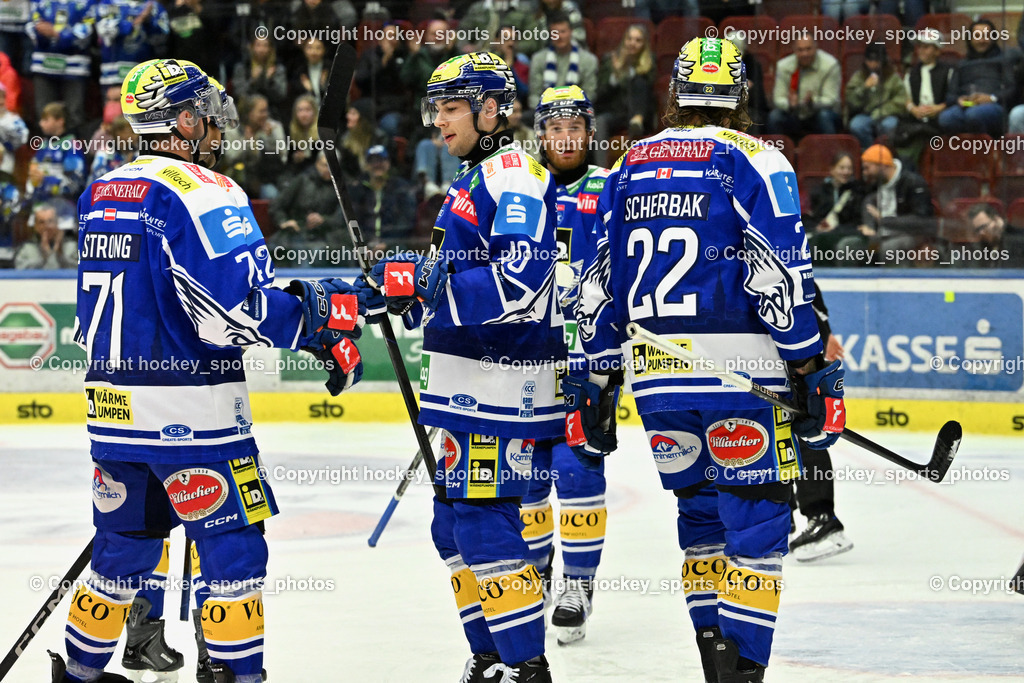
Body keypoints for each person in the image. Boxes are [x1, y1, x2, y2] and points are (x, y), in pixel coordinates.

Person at [48, 57, 366, 683]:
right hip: (194, 417)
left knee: (121, 555)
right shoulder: (205, 189)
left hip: (112, 413)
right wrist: (315, 324)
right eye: (211, 118)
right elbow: (234, 309)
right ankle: (235, 675)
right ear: (186, 119)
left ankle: (79, 675)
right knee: (234, 553)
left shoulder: (100, 190)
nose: (219, 132)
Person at [570, 37, 845, 683]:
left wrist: (600, 377)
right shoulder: (759, 159)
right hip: (744, 376)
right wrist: (809, 367)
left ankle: (712, 659)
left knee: (699, 517)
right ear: (741, 93)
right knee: (756, 521)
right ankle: (741, 673)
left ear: (676, 91)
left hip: (657, 378)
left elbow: (598, 287)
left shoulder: (628, 164)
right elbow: (780, 275)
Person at [362, 52, 563, 682]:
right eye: (435, 110)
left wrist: (426, 284)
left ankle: (526, 667)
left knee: (481, 521)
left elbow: (520, 282)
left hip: (501, 385)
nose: (438, 123)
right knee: (451, 527)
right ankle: (491, 658)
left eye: (451, 109)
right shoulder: (474, 178)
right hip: (462, 383)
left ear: (490, 109)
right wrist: (395, 289)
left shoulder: (515, 175)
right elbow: (448, 284)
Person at [521, 84, 611, 646]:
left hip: (588, 355)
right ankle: (538, 573)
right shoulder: (520, 184)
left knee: (577, 472)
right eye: (555, 128)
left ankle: (577, 584)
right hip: (524, 357)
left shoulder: (610, 185)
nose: (566, 137)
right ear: (542, 134)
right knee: (526, 480)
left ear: (589, 131)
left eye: (574, 126)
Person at [789, 285, 853, 562]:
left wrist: (823, 334)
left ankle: (822, 518)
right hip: (771, 346)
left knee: (807, 430)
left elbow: (800, 283)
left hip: (792, 348)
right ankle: (779, 515)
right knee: (773, 430)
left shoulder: (772, 246)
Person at [939, 19, 1020, 138]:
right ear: (970, 39)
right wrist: (959, 100)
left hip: (995, 107)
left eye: (986, 36)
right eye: (977, 36)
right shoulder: (961, 64)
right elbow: (950, 95)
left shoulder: (1004, 59)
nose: (982, 40)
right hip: (966, 106)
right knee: (946, 118)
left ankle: (985, 154)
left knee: (974, 115)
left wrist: (991, 98)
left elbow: (1012, 90)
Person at [857, 143, 935, 265]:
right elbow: (868, 203)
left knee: (888, 248)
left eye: (867, 168)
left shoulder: (913, 183)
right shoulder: (875, 183)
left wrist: (884, 221)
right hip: (881, 233)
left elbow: (922, 220)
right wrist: (870, 226)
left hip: (911, 234)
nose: (865, 173)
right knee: (849, 245)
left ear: (881, 165)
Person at [28, 0, 95, 134]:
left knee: (74, 113)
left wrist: (57, 34)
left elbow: (87, 29)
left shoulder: (87, 2)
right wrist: (42, 32)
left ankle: (74, 149)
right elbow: (32, 25)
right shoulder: (40, 2)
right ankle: (46, 150)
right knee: (43, 113)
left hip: (75, 67)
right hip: (44, 65)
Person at [268, 150, 345, 267]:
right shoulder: (302, 180)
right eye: (325, 165)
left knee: (319, 252)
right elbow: (277, 205)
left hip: (325, 235)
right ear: (317, 164)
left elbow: (343, 218)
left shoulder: (341, 187)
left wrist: (323, 219)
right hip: (297, 231)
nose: (328, 170)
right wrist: (284, 221)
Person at [346, 145, 416, 254]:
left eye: (381, 161)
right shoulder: (357, 189)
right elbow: (350, 219)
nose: (377, 165)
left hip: (394, 243)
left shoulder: (400, 187)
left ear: (388, 163)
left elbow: (406, 220)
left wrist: (387, 243)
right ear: (366, 165)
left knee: (400, 251)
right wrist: (363, 243)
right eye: (372, 162)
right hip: (363, 244)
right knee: (347, 252)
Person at [768, 37, 841, 139]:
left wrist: (812, 102)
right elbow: (778, 99)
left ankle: (829, 151)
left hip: (819, 112)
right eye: (800, 50)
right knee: (775, 117)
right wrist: (790, 105)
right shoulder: (783, 66)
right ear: (794, 50)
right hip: (794, 113)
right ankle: (777, 153)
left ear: (816, 48)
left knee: (824, 116)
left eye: (808, 49)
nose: (804, 54)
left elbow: (831, 99)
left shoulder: (830, 65)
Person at [896, 32, 952, 165]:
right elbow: (905, 98)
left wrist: (939, 108)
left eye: (926, 47)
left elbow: (954, 96)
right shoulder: (911, 73)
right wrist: (913, 109)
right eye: (920, 47)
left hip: (938, 118)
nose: (921, 50)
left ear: (937, 51)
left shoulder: (948, 71)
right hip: (916, 119)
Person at [595, 23, 655, 144]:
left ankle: (637, 120)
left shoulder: (650, 62)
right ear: (624, 41)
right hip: (615, 111)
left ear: (644, 45)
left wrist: (629, 71)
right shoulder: (609, 60)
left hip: (640, 112)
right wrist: (617, 75)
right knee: (600, 121)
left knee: (639, 81)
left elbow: (649, 87)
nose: (632, 43)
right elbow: (601, 93)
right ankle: (600, 164)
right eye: (629, 39)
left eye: (638, 40)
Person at [805, 151, 867, 267]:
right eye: (842, 168)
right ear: (832, 169)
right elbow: (814, 217)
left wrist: (835, 230)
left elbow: (857, 222)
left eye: (849, 168)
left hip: (846, 233)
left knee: (841, 246)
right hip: (822, 234)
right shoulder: (819, 191)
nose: (846, 172)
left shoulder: (857, 191)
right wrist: (817, 227)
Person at [528, 11, 597, 109]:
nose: (559, 36)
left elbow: (589, 95)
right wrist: (543, 111)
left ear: (571, 32)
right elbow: (534, 95)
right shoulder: (538, 59)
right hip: (545, 111)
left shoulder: (588, 60)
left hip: (577, 111)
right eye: (555, 33)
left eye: (563, 32)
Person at [92, 0, 169, 88]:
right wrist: (139, 20)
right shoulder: (108, 3)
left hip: (144, 72)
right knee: (114, 101)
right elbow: (105, 30)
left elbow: (163, 36)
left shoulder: (154, 6)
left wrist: (150, 22)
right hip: (113, 72)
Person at [845, 43, 907, 149]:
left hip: (887, 115)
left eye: (876, 61)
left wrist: (882, 111)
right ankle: (869, 152)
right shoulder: (859, 76)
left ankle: (887, 152)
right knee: (856, 125)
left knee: (889, 125)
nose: (873, 65)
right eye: (870, 61)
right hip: (865, 114)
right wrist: (864, 88)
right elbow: (850, 100)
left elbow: (901, 101)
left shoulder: (893, 78)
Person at [353, 21, 409, 137]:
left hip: (393, 107)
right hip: (370, 105)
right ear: (380, 39)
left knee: (390, 125)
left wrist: (391, 62)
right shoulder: (369, 55)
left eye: (393, 36)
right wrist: (382, 64)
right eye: (387, 36)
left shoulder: (405, 56)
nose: (390, 40)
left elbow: (405, 82)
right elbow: (360, 80)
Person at [231, 36, 289, 124]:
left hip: (272, 114)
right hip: (246, 114)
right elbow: (239, 93)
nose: (262, 49)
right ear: (251, 47)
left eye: (265, 45)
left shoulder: (277, 68)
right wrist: (253, 80)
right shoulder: (242, 67)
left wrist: (270, 81)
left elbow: (281, 94)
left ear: (270, 49)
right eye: (258, 45)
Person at [958, 203, 1024, 269]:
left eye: (983, 227)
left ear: (996, 220)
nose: (981, 233)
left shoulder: (1017, 241)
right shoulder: (986, 244)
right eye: (978, 230)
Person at [14, 201, 77, 269]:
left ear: (57, 223)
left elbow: (80, 269)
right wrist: (43, 258)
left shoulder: (72, 247)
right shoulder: (26, 248)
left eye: (50, 221)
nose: (47, 226)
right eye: (41, 222)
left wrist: (60, 255)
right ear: (35, 226)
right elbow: (19, 271)